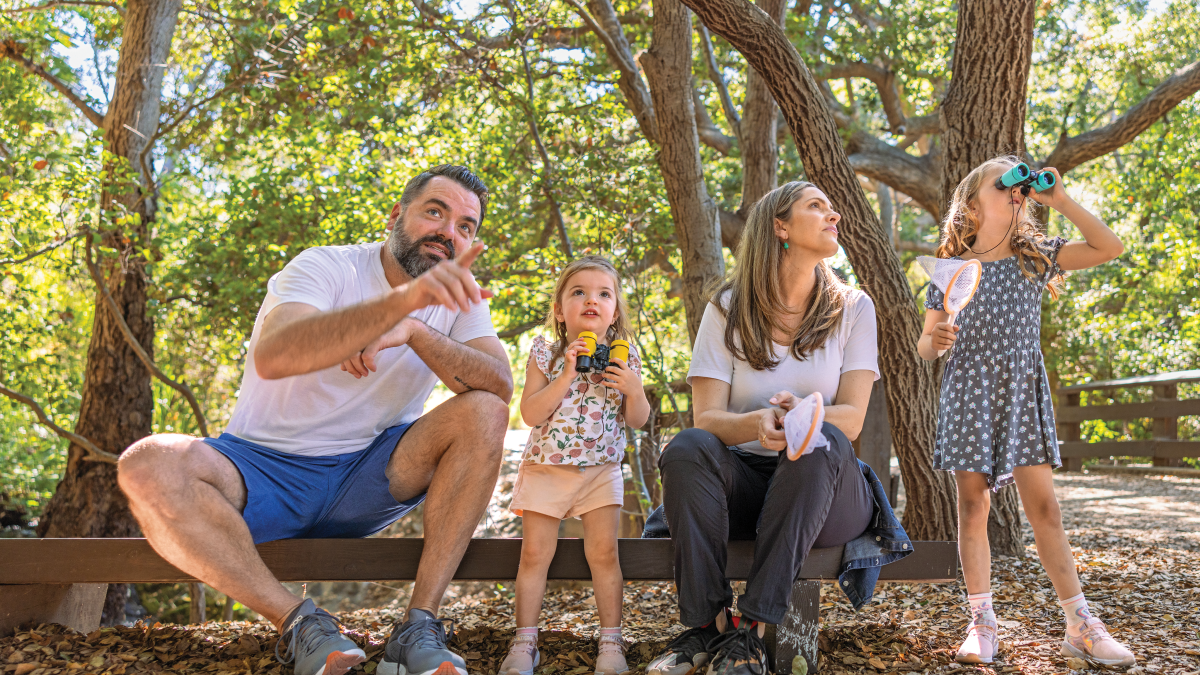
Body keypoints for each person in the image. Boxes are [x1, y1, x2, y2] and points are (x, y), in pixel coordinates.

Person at [118, 165, 514, 675]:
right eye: (434, 212)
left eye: (466, 226)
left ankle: (419, 626)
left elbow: (499, 384)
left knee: (485, 411)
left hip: (369, 478)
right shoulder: (327, 267)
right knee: (148, 463)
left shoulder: (460, 297)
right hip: (261, 469)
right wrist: (399, 305)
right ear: (396, 216)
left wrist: (414, 329)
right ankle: (300, 625)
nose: (449, 232)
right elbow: (277, 353)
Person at [646, 182, 911, 675]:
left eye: (833, 209)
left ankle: (753, 628)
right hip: (746, 488)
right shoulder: (726, 306)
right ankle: (706, 628)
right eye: (817, 207)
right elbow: (707, 419)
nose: (834, 217)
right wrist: (754, 424)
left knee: (821, 438)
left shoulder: (854, 308)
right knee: (687, 447)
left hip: (827, 493)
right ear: (780, 226)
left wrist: (802, 419)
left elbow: (851, 420)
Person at [917, 155, 1133, 667]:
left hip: (1020, 394)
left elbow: (1110, 246)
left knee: (1045, 509)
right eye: (1005, 183)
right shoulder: (951, 269)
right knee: (973, 508)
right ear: (972, 204)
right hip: (969, 394)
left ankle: (1080, 623)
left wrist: (1057, 199)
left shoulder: (1035, 256)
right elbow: (925, 345)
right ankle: (982, 623)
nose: (1017, 190)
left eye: (1022, 183)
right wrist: (937, 339)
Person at [498, 256, 651, 675]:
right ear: (560, 311)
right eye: (578, 292)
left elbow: (637, 419)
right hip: (547, 468)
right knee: (534, 554)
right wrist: (566, 372)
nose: (592, 300)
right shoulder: (546, 353)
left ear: (615, 311)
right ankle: (525, 642)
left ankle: (611, 643)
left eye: (604, 294)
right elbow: (530, 413)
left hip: (601, 471)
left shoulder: (626, 357)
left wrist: (634, 390)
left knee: (604, 553)